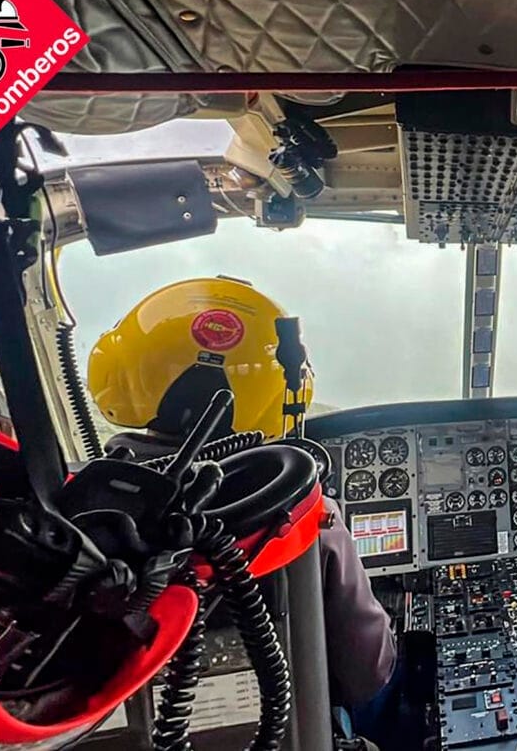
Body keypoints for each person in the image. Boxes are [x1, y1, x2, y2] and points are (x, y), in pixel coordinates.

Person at [87, 277, 399, 735]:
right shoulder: (301, 513)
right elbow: (370, 675)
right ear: (283, 388)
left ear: (121, 367)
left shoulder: (69, 511)